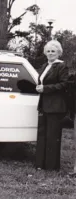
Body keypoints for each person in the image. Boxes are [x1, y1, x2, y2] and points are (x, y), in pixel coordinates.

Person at [35, 40, 69, 171]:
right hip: (44, 104)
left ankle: (51, 166)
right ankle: (40, 164)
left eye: (53, 51)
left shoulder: (61, 66)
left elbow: (64, 84)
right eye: (48, 51)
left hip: (55, 106)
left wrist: (45, 88)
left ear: (59, 53)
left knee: (52, 136)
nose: (50, 53)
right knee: (42, 134)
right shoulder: (45, 66)